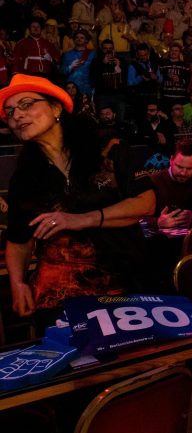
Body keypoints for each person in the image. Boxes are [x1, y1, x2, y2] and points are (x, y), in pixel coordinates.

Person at [1, 74, 155, 327]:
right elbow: (19, 241)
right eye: (10, 111)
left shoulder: (107, 147)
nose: (16, 115)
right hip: (59, 299)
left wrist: (81, 219)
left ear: (56, 107)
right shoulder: (24, 178)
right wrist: (18, 283)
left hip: (122, 286)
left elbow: (146, 202)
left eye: (26, 104)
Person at [146, 138, 192, 229]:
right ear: (171, 160)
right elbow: (137, 218)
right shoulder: (154, 180)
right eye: (179, 167)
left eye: (190, 168)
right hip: (161, 239)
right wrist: (157, 222)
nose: (183, 173)